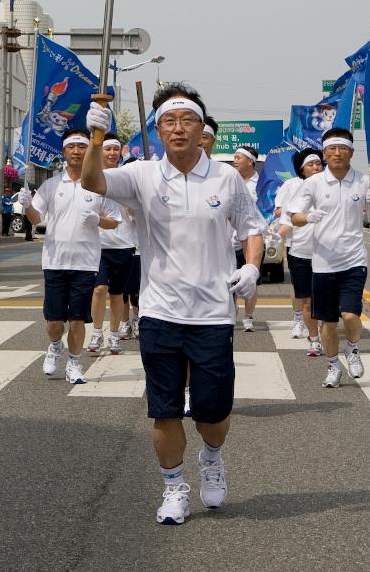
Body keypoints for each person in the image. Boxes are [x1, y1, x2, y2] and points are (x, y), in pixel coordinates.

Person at [83, 84, 265, 525]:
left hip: (212, 314)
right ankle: (173, 488)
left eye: (187, 121)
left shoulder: (226, 178)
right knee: (164, 411)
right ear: (159, 130)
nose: (179, 129)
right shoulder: (142, 175)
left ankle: (212, 456)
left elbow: (251, 228)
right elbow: (92, 181)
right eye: (169, 122)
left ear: (202, 130)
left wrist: (253, 266)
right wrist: (94, 137)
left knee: (213, 413)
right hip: (161, 312)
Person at [20, 128, 120, 385]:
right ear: (64, 152)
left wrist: (98, 219)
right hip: (55, 262)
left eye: (81, 146)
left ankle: (74, 363)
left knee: (77, 319)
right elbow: (36, 219)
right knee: (54, 321)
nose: (76, 151)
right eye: (71, 147)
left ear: (89, 151)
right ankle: (55, 345)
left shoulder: (99, 185)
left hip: (85, 263)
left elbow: (114, 222)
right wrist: (27, 205)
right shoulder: (51, 185)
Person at [288, 128, 370, 389]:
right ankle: (333, 366)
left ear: (351, 152)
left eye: (343, 148)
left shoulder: (363, 181)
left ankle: (352, 350)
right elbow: (294, 216)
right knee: (328, 323)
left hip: (354, 260)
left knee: (350, 315)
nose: (337, 153)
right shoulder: (313, 183)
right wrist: (307, 217)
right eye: (331, 149)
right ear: (324, 152)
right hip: (322, 263)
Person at [274, 148, 324, 355]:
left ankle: (324, 328)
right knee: (305, 297)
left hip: (328, 253)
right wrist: (275, 238)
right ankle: (310, 333)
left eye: (318, 164)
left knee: (323, 298)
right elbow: (282, 214)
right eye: (310, 165)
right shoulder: (292, 186)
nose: (315, 167)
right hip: (299, 249)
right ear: (301, 169)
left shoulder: (330, 186)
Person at [89, 133, 134, 356]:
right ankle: (97, 331)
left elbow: (136, 211)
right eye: (107, 149)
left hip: (124, 243)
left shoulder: (127, 177)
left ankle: (114, 335)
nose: (112, 153)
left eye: (115, 150)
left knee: (117, 294)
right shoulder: (92, 177)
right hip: (97, 245)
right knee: (99, 289)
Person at [231, 144, 261, 332]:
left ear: (250, 161)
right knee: (230, 279)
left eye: (238, 157)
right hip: (229, 241)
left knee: (251, 279)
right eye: (234, 157)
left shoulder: (262, 183)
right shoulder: (229, 180)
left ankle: (248, 317)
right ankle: (231, 309)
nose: (234, 160)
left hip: (251, 239)